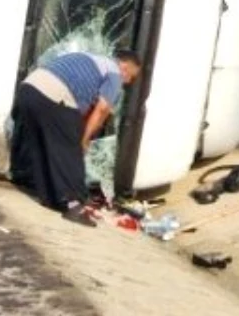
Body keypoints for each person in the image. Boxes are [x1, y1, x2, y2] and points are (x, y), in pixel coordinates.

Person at [10, 49, 142, 226]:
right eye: (131, 78)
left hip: (27, 90)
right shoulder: (114, 72)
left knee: (44, 145)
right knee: (71, 150)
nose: (128, 83)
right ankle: (75, 205)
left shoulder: (93, 58)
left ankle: (50, 198)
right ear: (124, 67)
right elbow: (102, 109)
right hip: (53, 94)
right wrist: (84, 139)